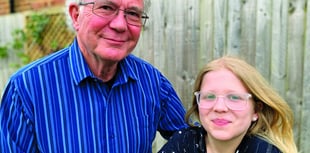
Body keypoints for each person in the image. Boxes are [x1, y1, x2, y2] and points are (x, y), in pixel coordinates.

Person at [0, 0, 188, 152]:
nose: (120, 25)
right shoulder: (27, 87)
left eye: (132, 14)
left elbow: (192, 140)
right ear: (76, 15)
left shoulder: (153, 82)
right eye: (106, 7)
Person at [158, 56, 298, 153]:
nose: (219, 107)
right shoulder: (183, 142)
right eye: (209, 96)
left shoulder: (265, 150)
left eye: (234, 98)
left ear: (256, 110)